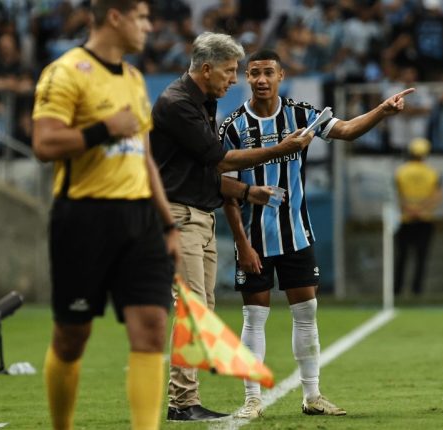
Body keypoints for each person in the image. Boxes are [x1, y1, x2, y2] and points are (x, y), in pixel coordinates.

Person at [220, 49, 413, 419]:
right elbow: (223, 188)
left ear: (281, 76)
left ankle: (312, 396)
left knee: (306, 313)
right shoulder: (232, 127)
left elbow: (346, 130)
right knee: (253, 317)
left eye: (268, 73)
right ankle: (252, 400)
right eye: (254, 73)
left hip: (296, 235)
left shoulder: (301, 114)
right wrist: (242, 245)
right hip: (254, 238)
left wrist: (382, 111)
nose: (261, 79)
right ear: (247, 78)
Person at [150, 33, 315, 422]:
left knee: (201, 310)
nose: (234, 80)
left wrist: (246, 191)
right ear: (206, 69)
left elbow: (203, 171)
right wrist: (280, 149)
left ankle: (185, 399)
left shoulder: (202, 101)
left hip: (200, 215)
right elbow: (219, 159)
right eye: (229, 71)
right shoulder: (178, 104)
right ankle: (181, 402)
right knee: (192, 310)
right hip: (180, 216)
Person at [31, 1, 177, 429]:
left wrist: (167, 223)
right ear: (116, 16)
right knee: (72, 338)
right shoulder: (66, 71)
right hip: (84, 219)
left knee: (151, 328)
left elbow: (145, 159)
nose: (149, 27)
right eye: (143, 18)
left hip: (140, 221)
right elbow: (44, 143)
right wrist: (102, 128)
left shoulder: (134, 78)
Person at [394, 137, 442, 297]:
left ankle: (397, 290)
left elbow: (396, 195)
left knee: (402, 257)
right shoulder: (433, 173)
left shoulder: (401, 171)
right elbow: (437, 196)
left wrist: (409, 209)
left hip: (405, 219)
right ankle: (417, 290)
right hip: (425, 219)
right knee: (421, 257)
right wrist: (421, 210)